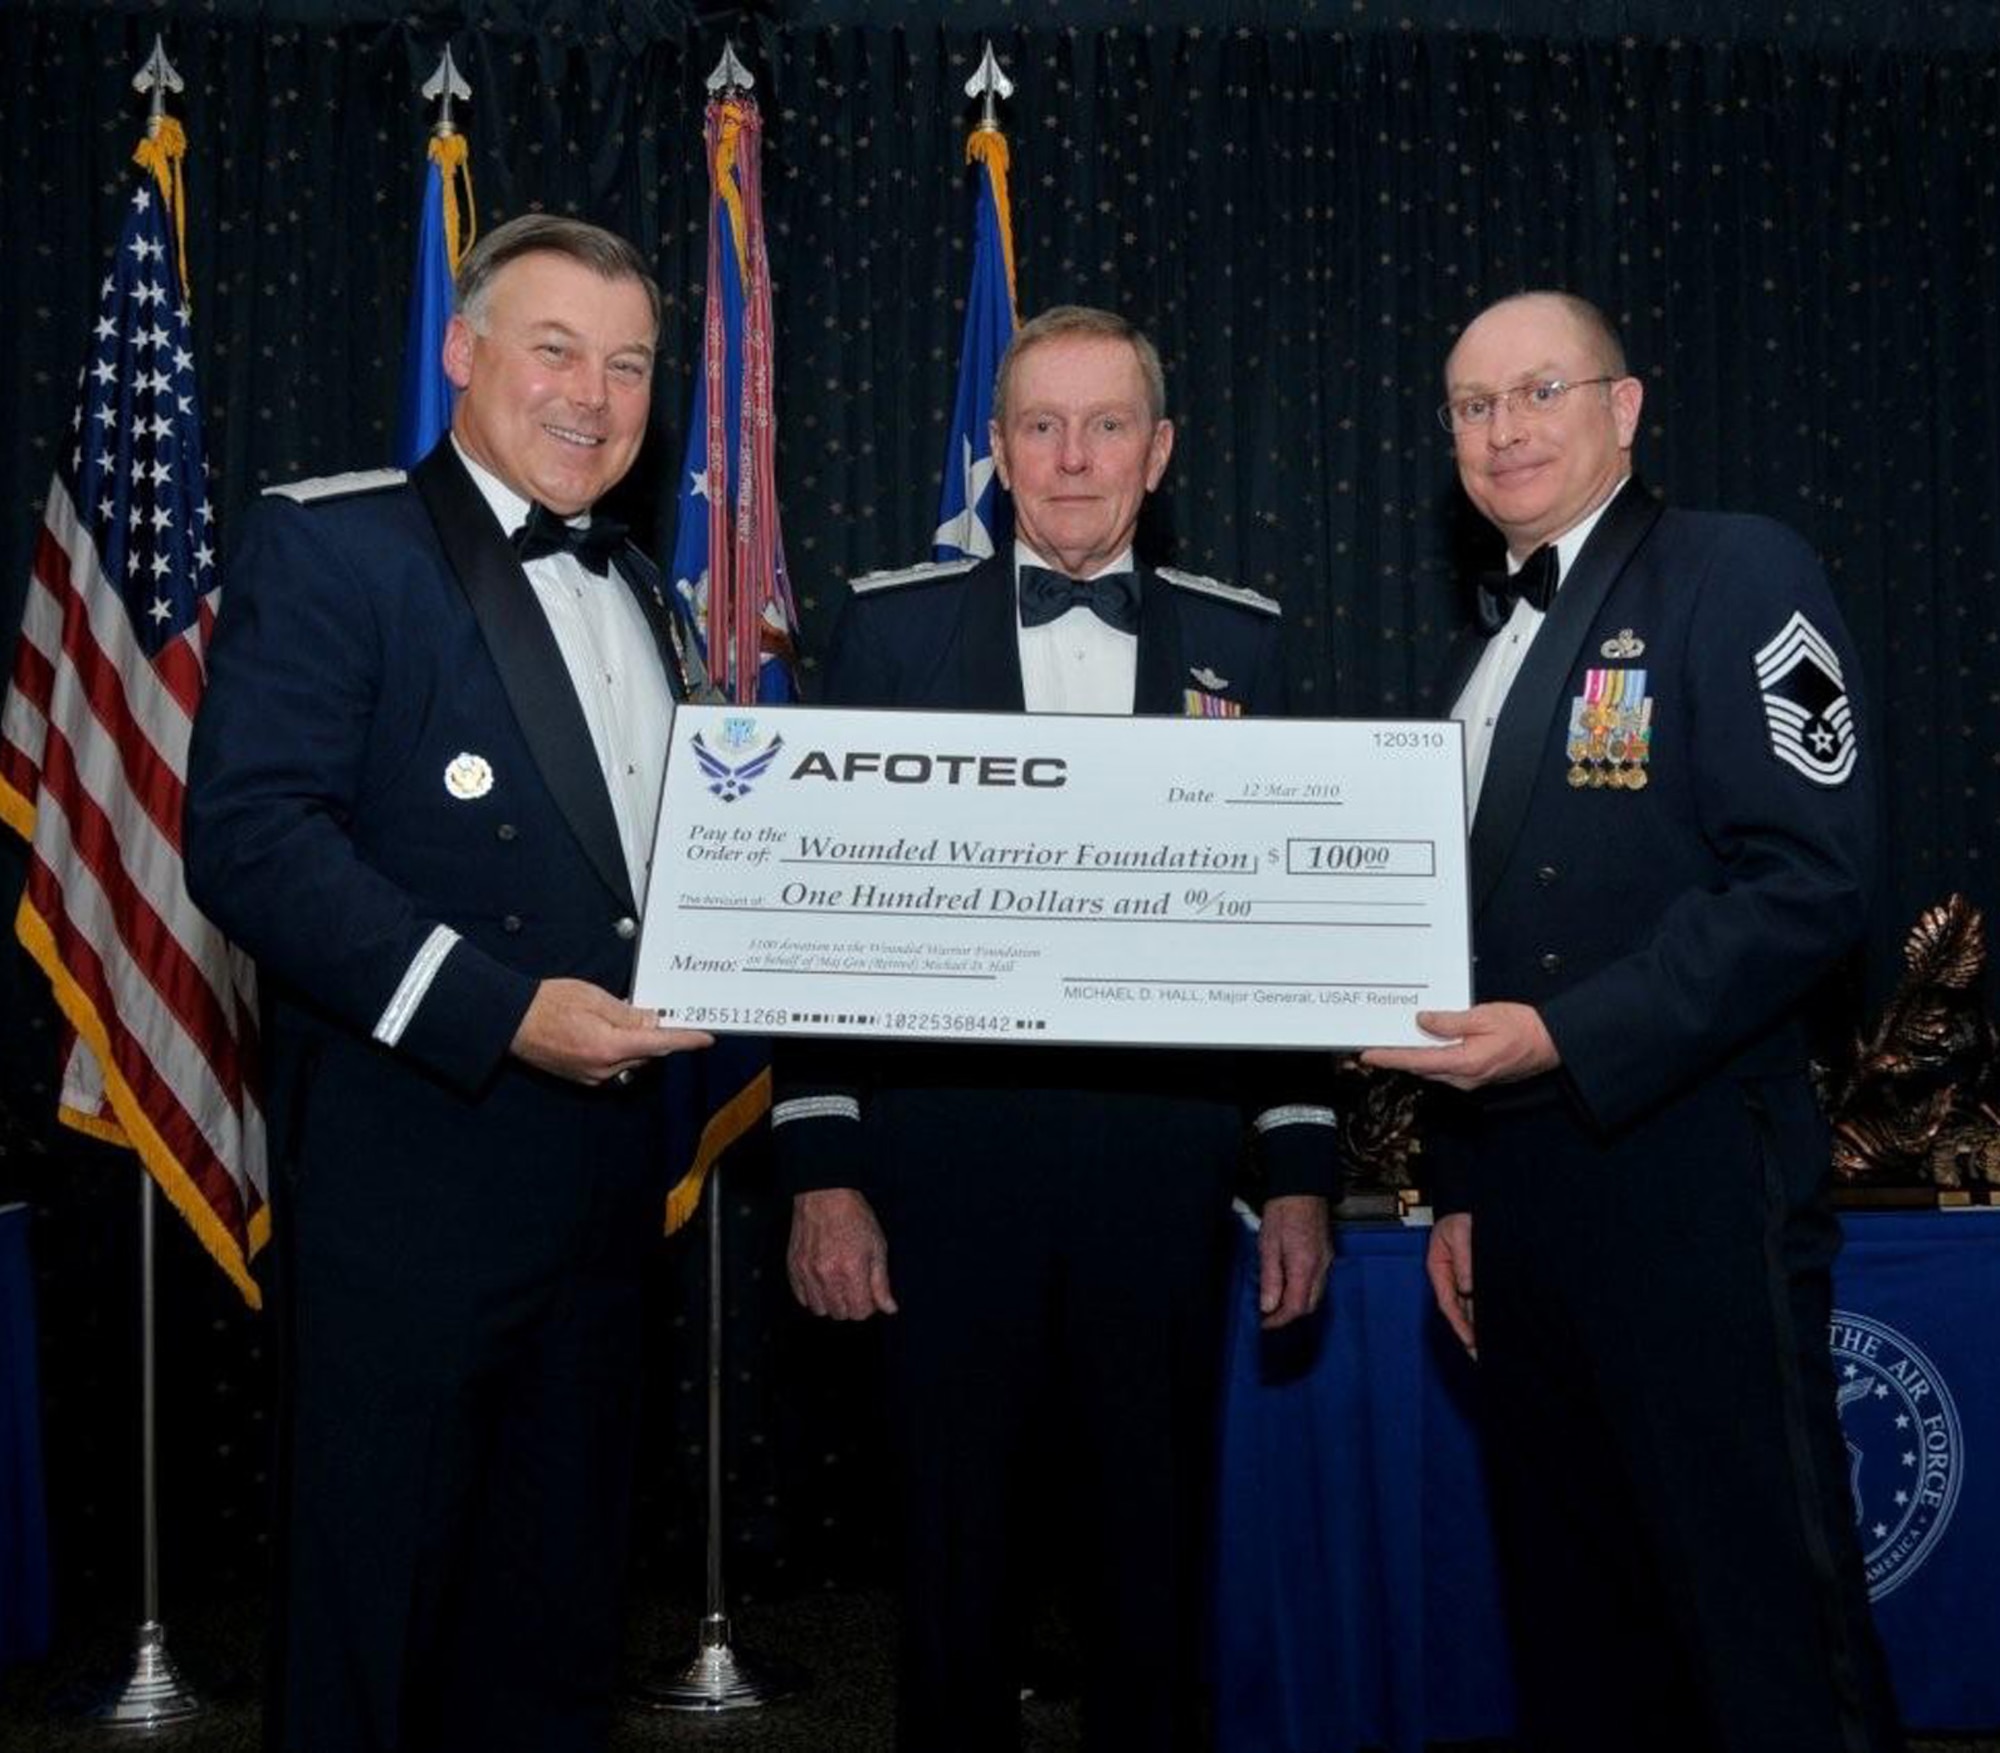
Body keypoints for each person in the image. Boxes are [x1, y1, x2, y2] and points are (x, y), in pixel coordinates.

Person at [772, 305, 1339, 1749]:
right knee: (951, 1563)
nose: (1072, 457)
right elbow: (820, 915)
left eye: (1105, 427)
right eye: (1040, 424)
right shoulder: (887, 630)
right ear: (997, 450)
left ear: (1157, 452)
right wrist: (824, 1164)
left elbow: (1283, 935)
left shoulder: (1243, 642)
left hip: (1163, 1178)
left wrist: (1295, 1169)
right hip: (943, 1176)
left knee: (1155, 1562)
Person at [185, 214, 713, 1753]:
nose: (594, 396)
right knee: (377, 1613)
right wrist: (500, 1010)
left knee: (553, 1616)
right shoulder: (339, 543)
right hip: (416, 1168)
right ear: (464, 353)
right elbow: (254, 841)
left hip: (608, 1185)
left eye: (626, 366)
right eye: (554, 350)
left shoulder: (652, 597)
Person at [1365, 291, 1903, 1753]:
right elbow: (1477, 953)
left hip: (1687, 1190)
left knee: (1762, 1621)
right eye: (1474, 407)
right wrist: (1467, 1190)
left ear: (1627, 405)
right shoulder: (1484, 655)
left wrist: (1564, 1035)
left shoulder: (1738, 575)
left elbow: (1811, 883)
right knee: (1583, 1621)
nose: (1506, 428)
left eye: (1541, 389)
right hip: (1531, 1206)